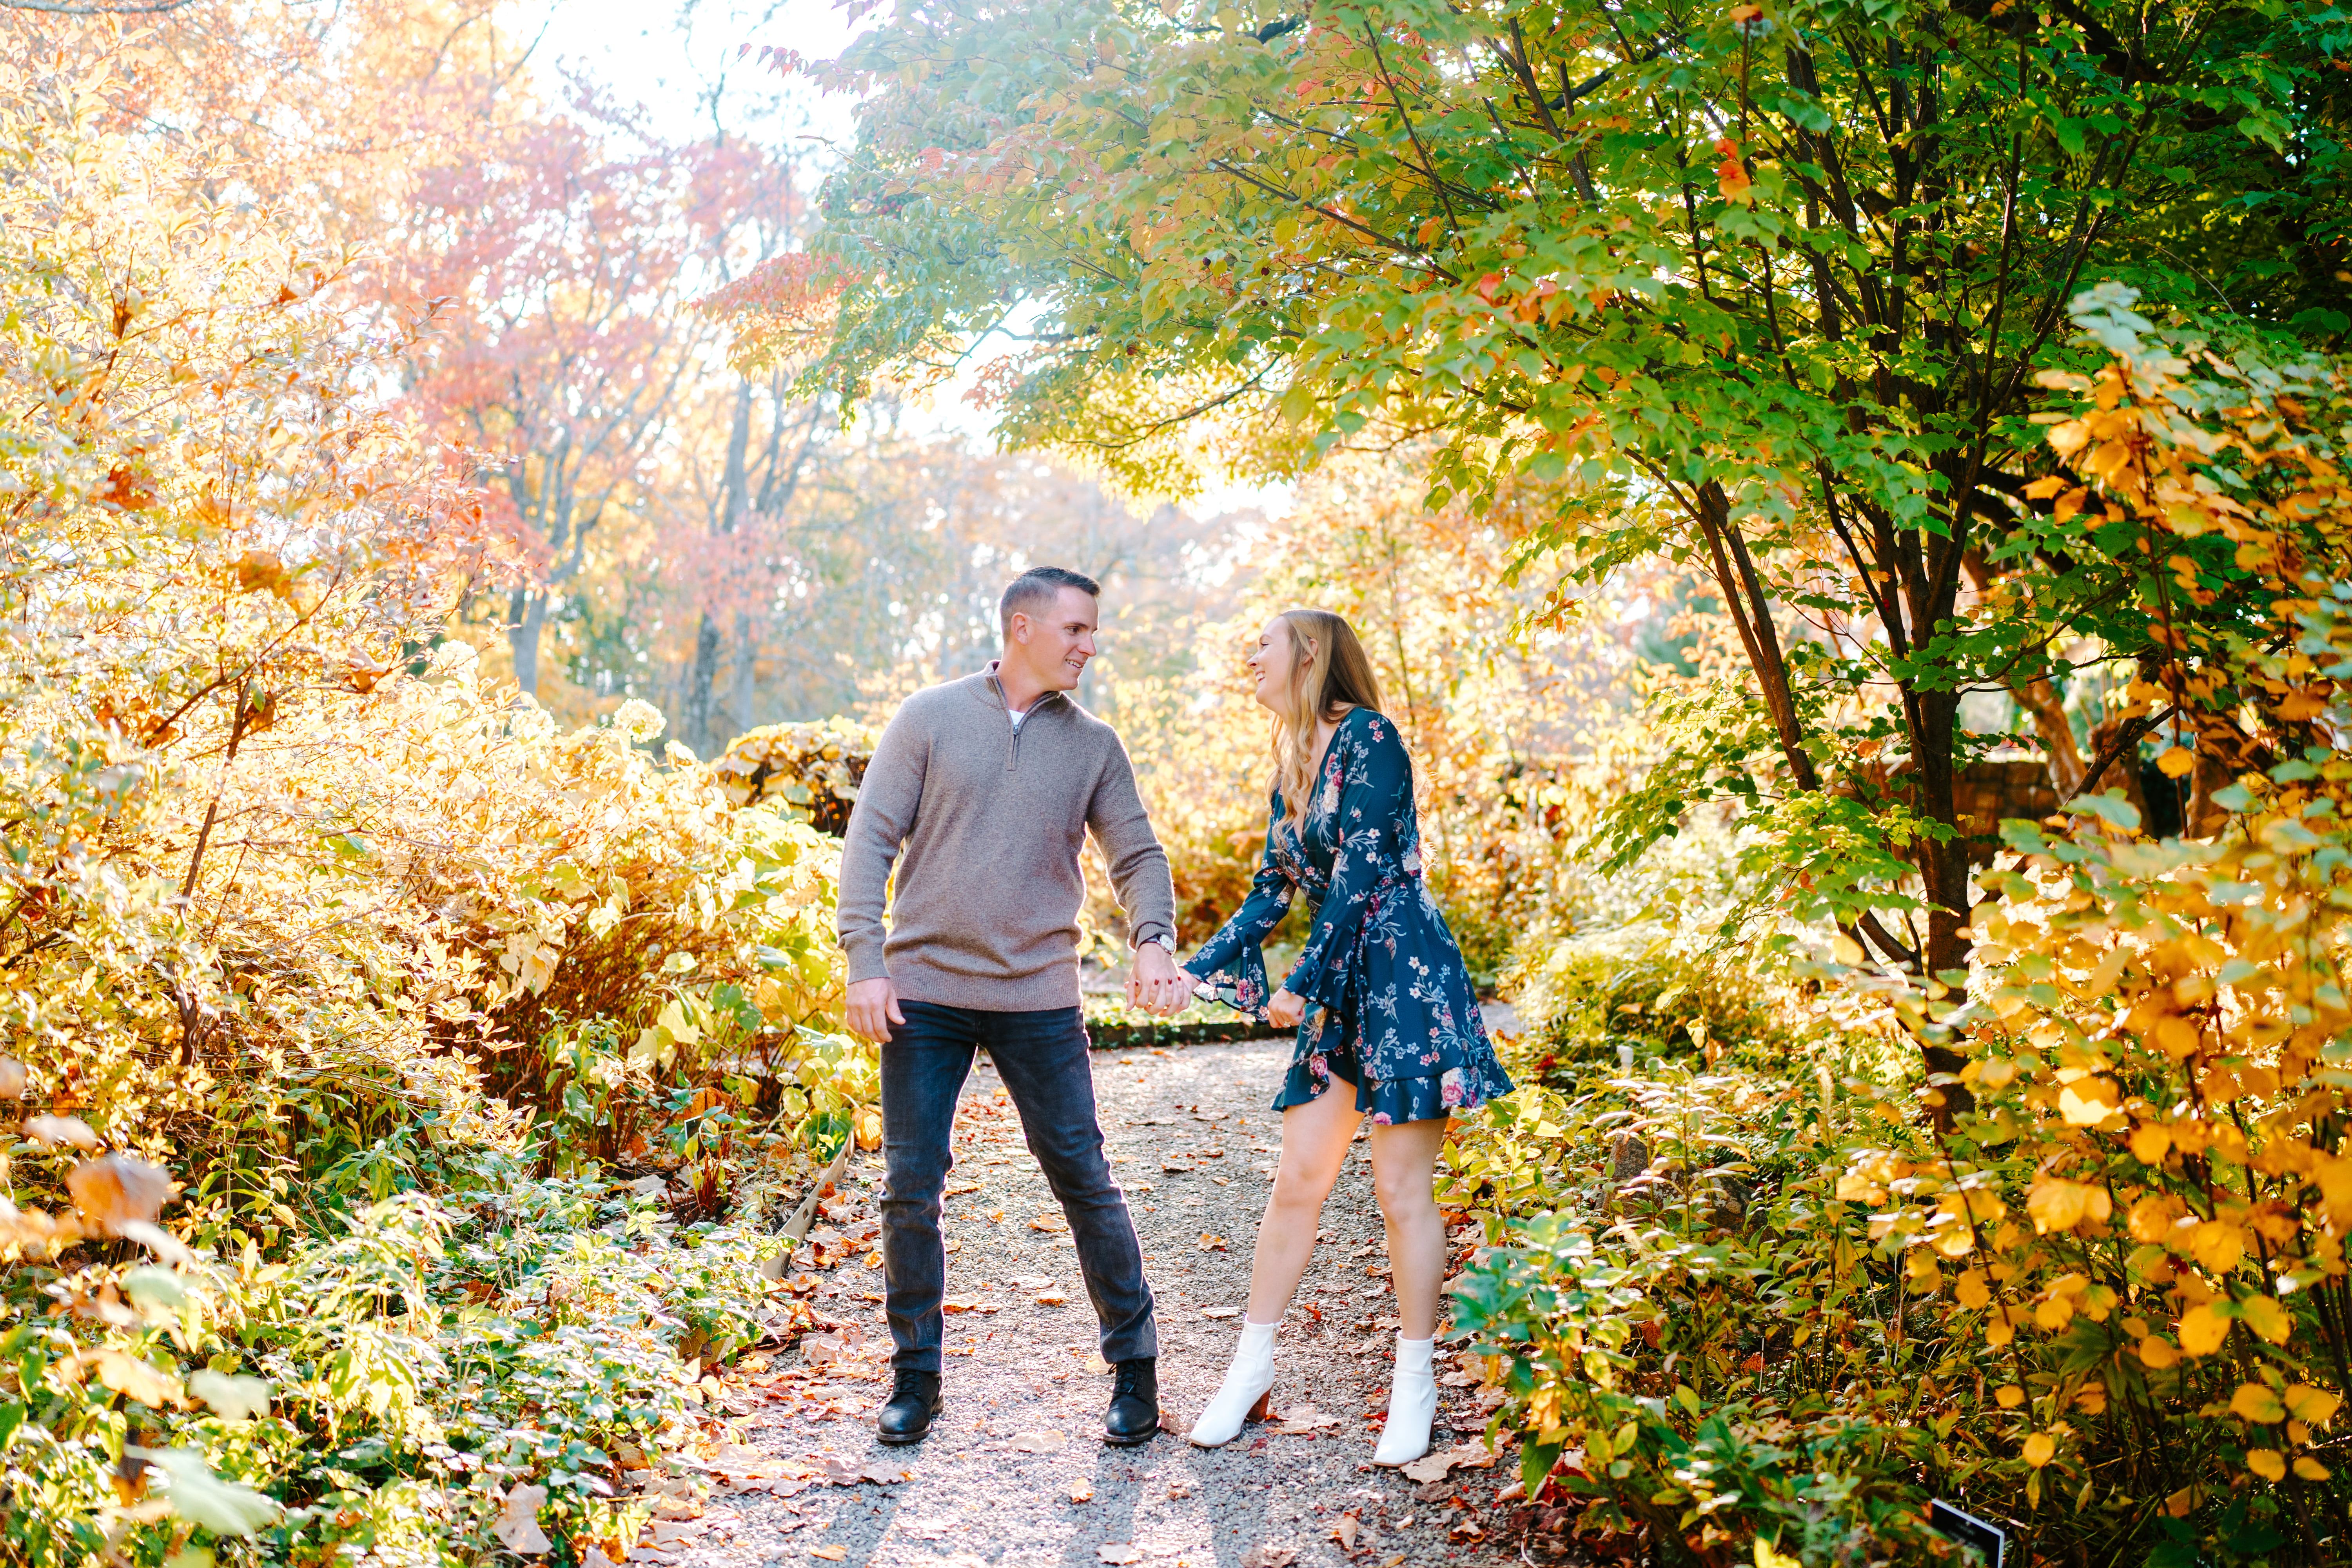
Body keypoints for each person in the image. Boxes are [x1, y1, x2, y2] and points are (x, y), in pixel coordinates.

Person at [837, 565, 1189, 1449]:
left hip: (1038, 994)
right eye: (1075, 628)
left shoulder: (1094, 743)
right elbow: (871, 838)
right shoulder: (929, 717)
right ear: (1022, 626)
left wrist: (1154, 936)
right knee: (911, 1187)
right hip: (924, 993)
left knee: (1084, 1176)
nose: (1089, 644)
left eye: (1092, 629)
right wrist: (865, 960)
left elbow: (1139, 854)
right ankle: (916, 1377)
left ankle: (1135, 1368)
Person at [1178, 609, 1513, 1466]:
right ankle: (1248, 1371)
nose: (1249, 653)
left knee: (1402, 1191)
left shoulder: (1372, 738)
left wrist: (1298, 982)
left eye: (1265, 640)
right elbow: (1270, 891)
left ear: (1312, 652)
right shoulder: (1290, 761)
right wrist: (1196, 969)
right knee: (1299, 1177)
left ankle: (1416, 1382)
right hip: (1341, 983)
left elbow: (1363, 876)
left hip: (1404, 976)